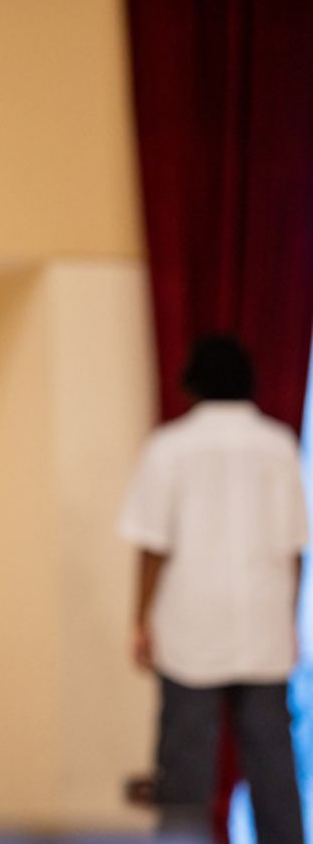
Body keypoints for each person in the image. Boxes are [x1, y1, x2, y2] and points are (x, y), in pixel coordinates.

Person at [121, 334, 306, 843]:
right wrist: (287, 621)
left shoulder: (170, 446)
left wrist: (140, 620)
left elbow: (152, 545)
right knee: (274, 773)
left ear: (192, 383)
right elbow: (295, 548)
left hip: (189, 628)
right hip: (262, 629)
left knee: (184, 777)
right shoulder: (279, 445)